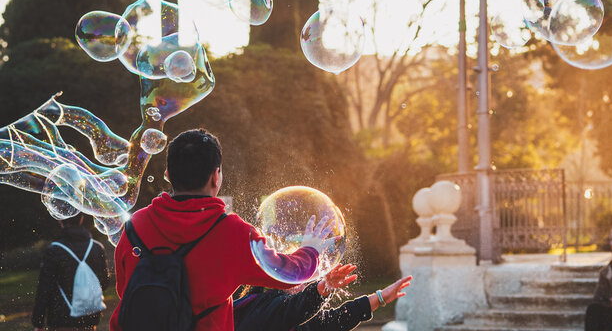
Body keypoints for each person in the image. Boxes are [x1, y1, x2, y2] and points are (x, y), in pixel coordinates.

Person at [110, 129, 335, 331]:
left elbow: (124, 289)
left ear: (168, 174)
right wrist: (310, 249)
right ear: (215, 176)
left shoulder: (135, 224)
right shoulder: (233, 232)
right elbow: (288, 276)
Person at [233, 263, 412, 331]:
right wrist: (323, 288)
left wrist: (382, 297)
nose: (304, 284)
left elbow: (338, 319)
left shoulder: (298, 317)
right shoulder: (263, 307)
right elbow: (299, 305)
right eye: (301, 278)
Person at [32, 214, 110, 331]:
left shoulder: (54, 250)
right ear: (81, 218)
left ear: (60, 219)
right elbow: (104, 282)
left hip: (61, 319)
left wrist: (38, 322)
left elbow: (45, 289)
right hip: (89, 317)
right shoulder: (97, 248)